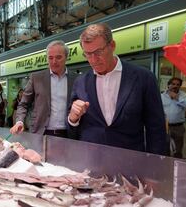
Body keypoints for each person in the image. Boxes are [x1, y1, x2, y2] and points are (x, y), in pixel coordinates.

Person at [67, 23, 167, 155]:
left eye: (98, 52)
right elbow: (72, 128)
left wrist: (154, 165)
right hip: (91, 161)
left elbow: (156, 127)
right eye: (87, 54)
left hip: (130, 160)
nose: (93, 60)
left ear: (112, 45)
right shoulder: (81, 82)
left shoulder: (143, 77)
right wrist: (73, 118)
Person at [10, 40, 75, 138]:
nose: (54, 61)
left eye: (58, 57)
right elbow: (23, 104)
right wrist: (19, 121)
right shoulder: (36, 78)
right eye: (50, 58)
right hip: (41, 133)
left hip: (68, 134)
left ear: (66, 57)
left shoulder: (76, 79)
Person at [161, 77, 186, 158]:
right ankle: (166, 166)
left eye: (178, 85)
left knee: (178, 150)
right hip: (165, 127)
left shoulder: (184, 95)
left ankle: (177, 167)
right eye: (173, 84)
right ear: (168, 85)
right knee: (165, 148)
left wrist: (177, 98)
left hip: (178, 127)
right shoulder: (162, 96)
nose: (175, 86)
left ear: (180, 86)